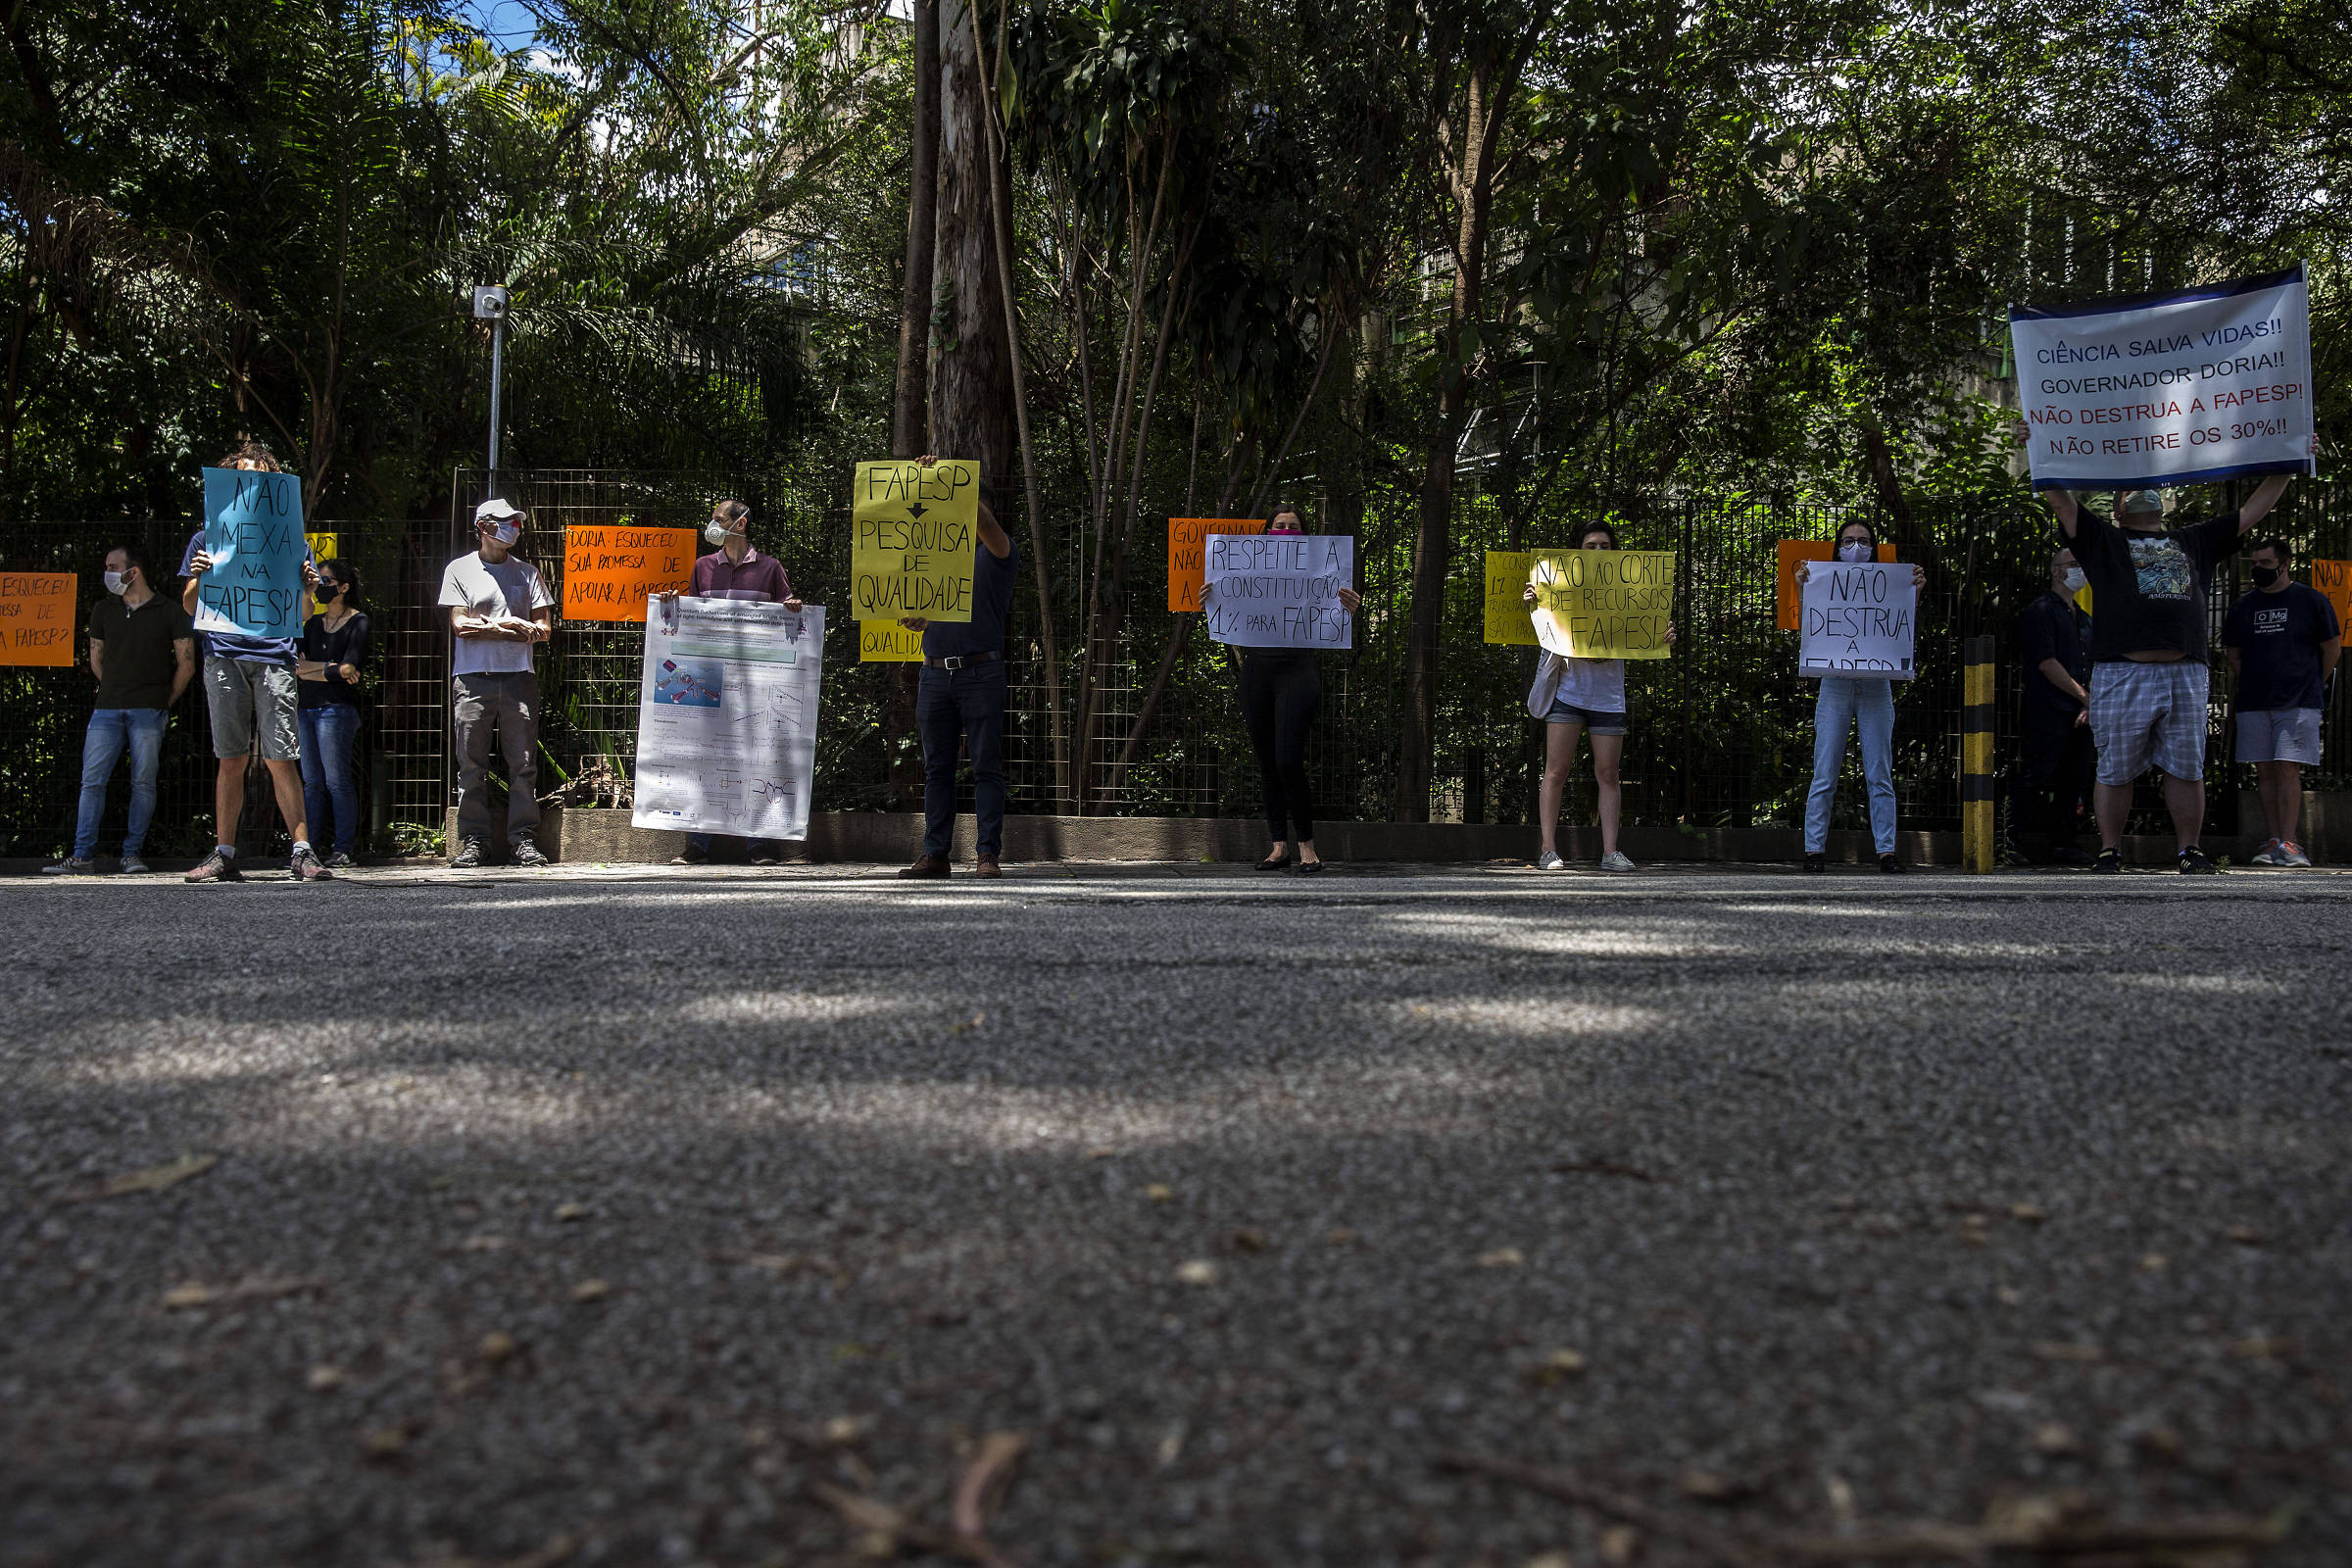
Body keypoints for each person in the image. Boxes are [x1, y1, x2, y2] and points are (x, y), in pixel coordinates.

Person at [2031, 460, 2292, 874]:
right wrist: (2039, 451)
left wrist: (2288, 461)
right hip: (2122, 672)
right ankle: (2110, 851)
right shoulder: (2103, 541)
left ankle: (2189, 851)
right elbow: (2062, 504)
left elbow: (2253, 511)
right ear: (2117, 510)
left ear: (2163, 507)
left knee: (2186, 767)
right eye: (2129, 490)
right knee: (2115, 767)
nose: (2140, 492)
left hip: (2186, 672)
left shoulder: (2194, 540)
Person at [179, 442, 329, 883]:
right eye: (244, 475)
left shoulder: (292, 543)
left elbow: (303, 614)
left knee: (282, 757)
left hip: (274, 658)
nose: (253, 483)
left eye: (261, 476)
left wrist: (308, 587)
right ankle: (224, 853)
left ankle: (302, 853)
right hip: (223, 655)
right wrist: (200, 576)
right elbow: (190, 606)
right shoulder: (206, 539)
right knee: (231, 758)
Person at [1521, 519, 1675, 872]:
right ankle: (1548, 850)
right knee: (1555, 772)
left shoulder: (1627, 589)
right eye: (1591, 546)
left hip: (1607, 697)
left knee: (1608, 773)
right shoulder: (1557, 586)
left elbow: (1647, 629)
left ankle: (1610, 852)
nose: (1598, 551)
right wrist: (1535, 603)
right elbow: (1546, 631)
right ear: (1578, 551)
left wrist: (1663, 635)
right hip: (1568, 693)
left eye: (1605, 546)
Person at [659, 498, 803, 866]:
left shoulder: (770, 568)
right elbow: (691, 619)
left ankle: (758, 844)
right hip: (711, 679)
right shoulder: (703, 567)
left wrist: (792, 607)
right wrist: (675, 603)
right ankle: (698, 844)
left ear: (740, 523)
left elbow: (790, 611)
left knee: (758, 755)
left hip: (756, 681)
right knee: (704, 755)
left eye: (719, 519)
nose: (713, 524)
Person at [1221, 503, 1362, 874]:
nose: (1285, 531)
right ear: (1267, 533)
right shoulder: (1249, 568)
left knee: (1288, 759)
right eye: (1279, 525)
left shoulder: (1320, 569)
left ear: (1305, 533)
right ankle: (1278, 847)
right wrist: (1212, 598)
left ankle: (1307, 846)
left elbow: (1330, 611)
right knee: (1268, 762)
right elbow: (1231, 603)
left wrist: (1349, 607)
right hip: (1257, 671)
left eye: (1293, 526)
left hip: (1298, 670)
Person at [43, 545, 196, 875]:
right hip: (107, 708)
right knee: (92, 781)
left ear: (134, 571)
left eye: (113, 566)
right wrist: (116, 685)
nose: (108, 572)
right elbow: (95, 658)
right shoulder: (103, 609)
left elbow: (187, 664)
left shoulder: (169, 611)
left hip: (149, 710)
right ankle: (82, 855)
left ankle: (132, 854)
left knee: (142, 782)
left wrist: (163, 701)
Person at [897, 461, 1016, 878]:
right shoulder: (929, 558)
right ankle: (936, 855)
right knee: (937, 768)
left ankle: (987, 856)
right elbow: (925, 610)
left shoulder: (998, 552)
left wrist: (943, 479)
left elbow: (982, 520)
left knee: (986, 764)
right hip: (933, 674)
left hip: (981, 673)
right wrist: (916, 620)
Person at [1797, 519, 1929, 873]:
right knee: (1824, 771)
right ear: (1837, 547)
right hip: (1835, 685)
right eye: (1849, 540)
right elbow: (1812, 624)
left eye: (1865, 541)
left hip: (1876, 686)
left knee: (1879, 772)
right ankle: (1813, 851)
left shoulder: (1889, 583)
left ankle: (1887, 851)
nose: (1856, 547)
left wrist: (1914, 591)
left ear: (1875, 547)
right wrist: (1802, 589)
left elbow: (1899, 625)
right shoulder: (1822, 580)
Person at [439, 497, 556, 868]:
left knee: (523, 764)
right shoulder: (459, 569)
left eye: (517, 523)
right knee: (471, 764)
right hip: (472, 680)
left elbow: (544, 630)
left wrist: (491, 628)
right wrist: (510, 626)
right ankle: (474, 840)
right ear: (485, 527)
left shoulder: (528, 573)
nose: (515, 529)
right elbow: (460, 627)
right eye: (508, 522)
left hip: (520, 679)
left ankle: (523, 839)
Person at [2223, 535, 2340, 867]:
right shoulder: (2242, 607)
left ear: (2285, 564)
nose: (2258, 569)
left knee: (2288, 768)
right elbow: (2233, 654)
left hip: (2299, 699)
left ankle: (2290, 843)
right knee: (2265, 770)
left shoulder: (2311, 601)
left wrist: (2313, 681)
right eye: (2255, 563)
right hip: (2254, 701)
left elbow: (2331, 648)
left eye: (2266, 563)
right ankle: (2273, 840)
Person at [2010, 548, 2096, 865]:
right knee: (2037, 773)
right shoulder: (2042, 610)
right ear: (2056, 571)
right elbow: (2047, 663)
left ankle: (2064, 842)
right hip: (2049, 708)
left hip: (2080, 712)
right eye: (2074, 565)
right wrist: (2084, 697)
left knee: (2074, 778)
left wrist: (2089, 702)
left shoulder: (2085, 618)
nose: (2080, 571)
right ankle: (2010, 840)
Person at [296, 559, 372, 868]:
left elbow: (350, 668)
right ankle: (308, 850)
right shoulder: (312, 623)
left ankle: (343, 849)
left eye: (326, 582)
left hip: (336, 711)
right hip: (307, 709)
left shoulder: (359, 621)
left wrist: (323, 670)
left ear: (344, 587)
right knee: (311, 782)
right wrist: (331, 670)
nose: (321, 587)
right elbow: (297, 668)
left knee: (336, 780)